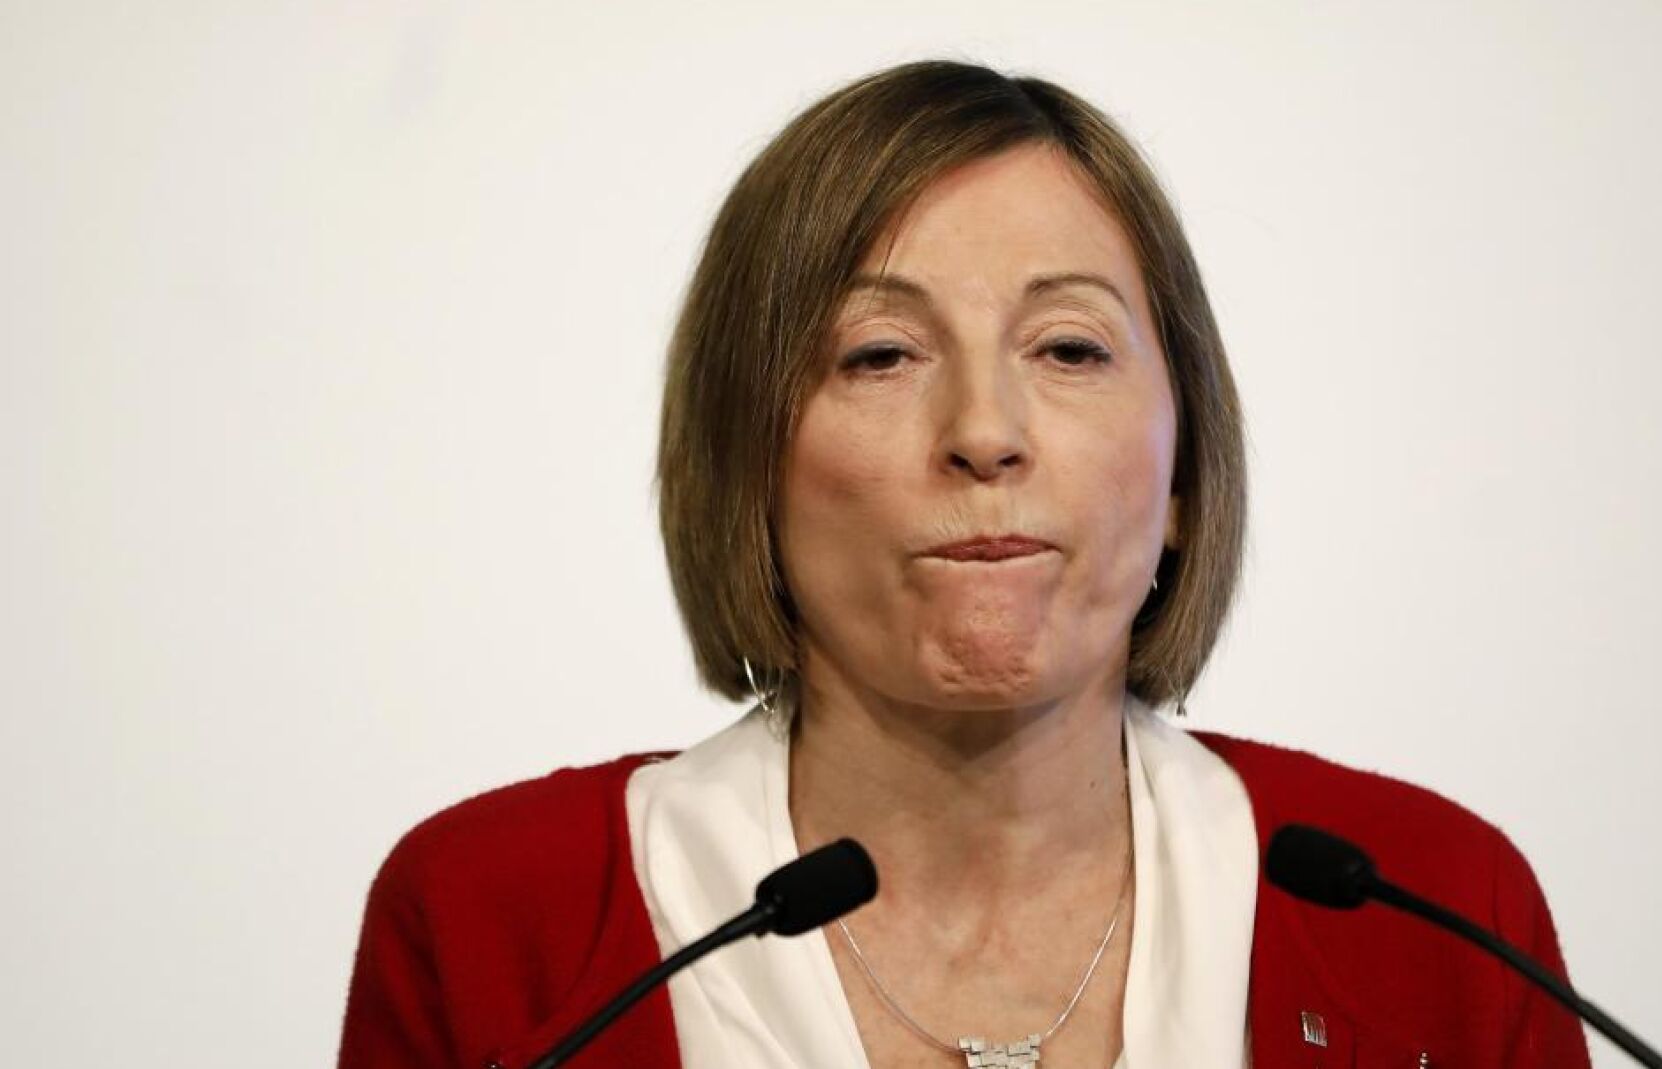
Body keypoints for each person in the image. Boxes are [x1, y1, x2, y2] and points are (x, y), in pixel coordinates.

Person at [338, 60, 1591, 1069]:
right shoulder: (493, 921)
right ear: (744, 464)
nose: (986, 432)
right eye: (880, 354)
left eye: (1070, 348)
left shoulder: (1434, 908)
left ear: (1184, 473)